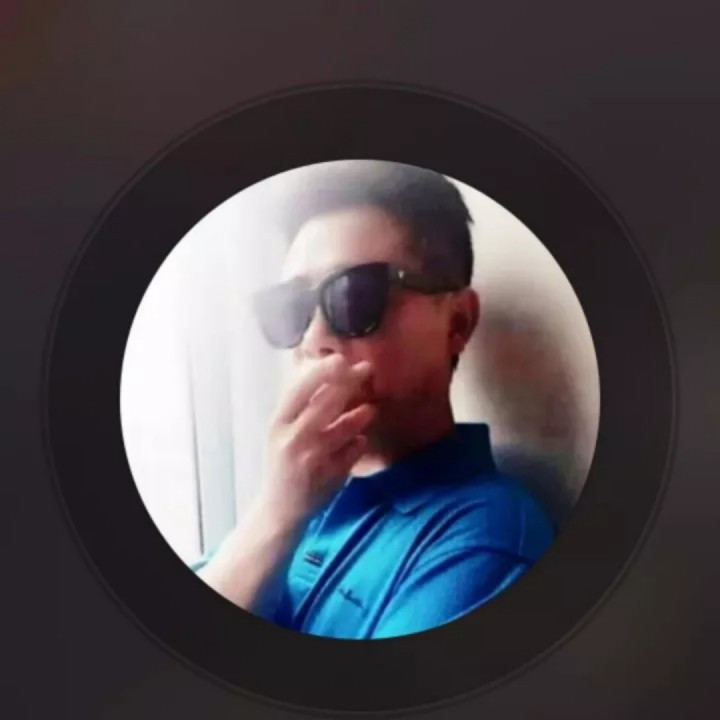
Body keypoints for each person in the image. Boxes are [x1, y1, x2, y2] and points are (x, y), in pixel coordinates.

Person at [191, 160, 555, 639]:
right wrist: (276, 510)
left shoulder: (486, 541)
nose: (313, 340)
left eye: (354, 296)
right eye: (294, 308)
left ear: (458, 322)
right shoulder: (303, 489)